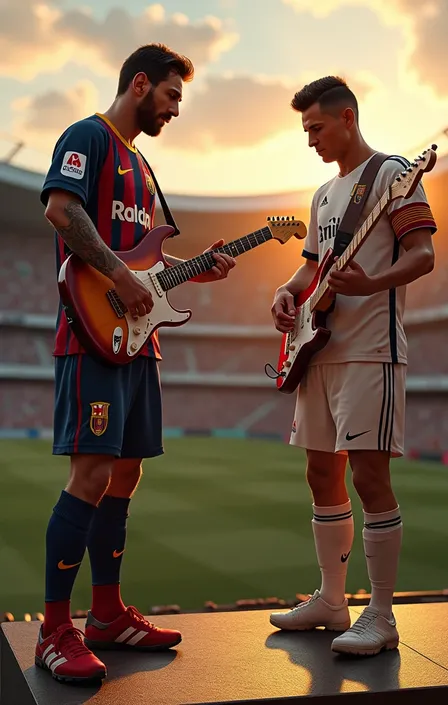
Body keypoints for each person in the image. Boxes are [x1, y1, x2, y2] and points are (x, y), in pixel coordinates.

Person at [36, 43, 236, 684]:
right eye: (173, 96)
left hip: (137, 339)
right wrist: (120, 274)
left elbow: (150, 266)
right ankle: (54, 629)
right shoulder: (87, 138)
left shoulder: (145, 170)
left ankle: (106, 615)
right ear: (141, 84)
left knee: (125, 476)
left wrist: (196, 271)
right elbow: (61, 211)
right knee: (91, 473)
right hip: (91, 333)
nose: (176, 109)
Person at [269, 76, 436, 656]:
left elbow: (423, 255)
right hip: (318, 349)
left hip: (371, 351)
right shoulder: (321, 194)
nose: (310, 138)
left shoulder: (394, 175)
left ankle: (383, 615)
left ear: (346, 118)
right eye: (306, 128)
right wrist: (287, 292)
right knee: (321, 474)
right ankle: (332, 599)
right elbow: (310, 268)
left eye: (315, 126)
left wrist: (372, 283)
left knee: (368, 476)